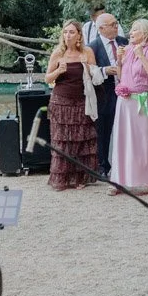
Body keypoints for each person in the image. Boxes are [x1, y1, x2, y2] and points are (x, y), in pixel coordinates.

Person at [44, 21, 103, 191]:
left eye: (71, 32)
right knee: (62, 140)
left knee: (81, 139)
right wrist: (58, 71)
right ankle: (61, 179)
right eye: (65, 32)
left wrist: (87, 66)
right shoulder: (58, 53)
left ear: (79, 35)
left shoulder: (87, 52)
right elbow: (47, 79)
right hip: (61, 101)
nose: (67, 35)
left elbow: (96, 77)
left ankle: (79, 178)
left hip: (82, 100)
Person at [109, 18, 148, 195]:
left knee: (144, 140)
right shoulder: (126, 50)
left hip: (142, 100)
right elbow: (120, 76)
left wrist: (141, 56)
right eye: (131, 30)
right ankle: (118, 180)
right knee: (122, 140)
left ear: (145, 33)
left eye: (135, 30)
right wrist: (119, 60)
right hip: (125, 100)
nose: (130, 33)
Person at [89, 12, 128, 177]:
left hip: (125, 92)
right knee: (103, 131)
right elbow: (89, 71)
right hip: (105, 93)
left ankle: (125, 165)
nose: (116, 27)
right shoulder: (93, 46)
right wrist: (105, 70)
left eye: (116, 23)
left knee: (125, 130)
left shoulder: (124, 42)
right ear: (101, 28)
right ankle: (103, 166)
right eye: (112, 25)